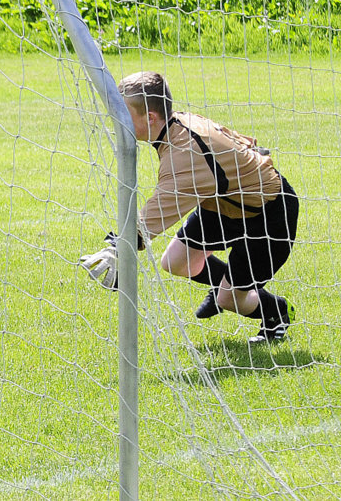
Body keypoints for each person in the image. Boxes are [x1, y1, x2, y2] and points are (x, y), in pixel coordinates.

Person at [80, 71, 298, 343]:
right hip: (223, 205)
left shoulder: (184, 158)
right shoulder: (178, 124)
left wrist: (116, 248)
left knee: (231, 299)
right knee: (175, 262)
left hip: (268, 215)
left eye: (124, 113)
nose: (118, 120)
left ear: (150, 117)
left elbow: (153, 216)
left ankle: (276, 312)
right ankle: (225, 283)